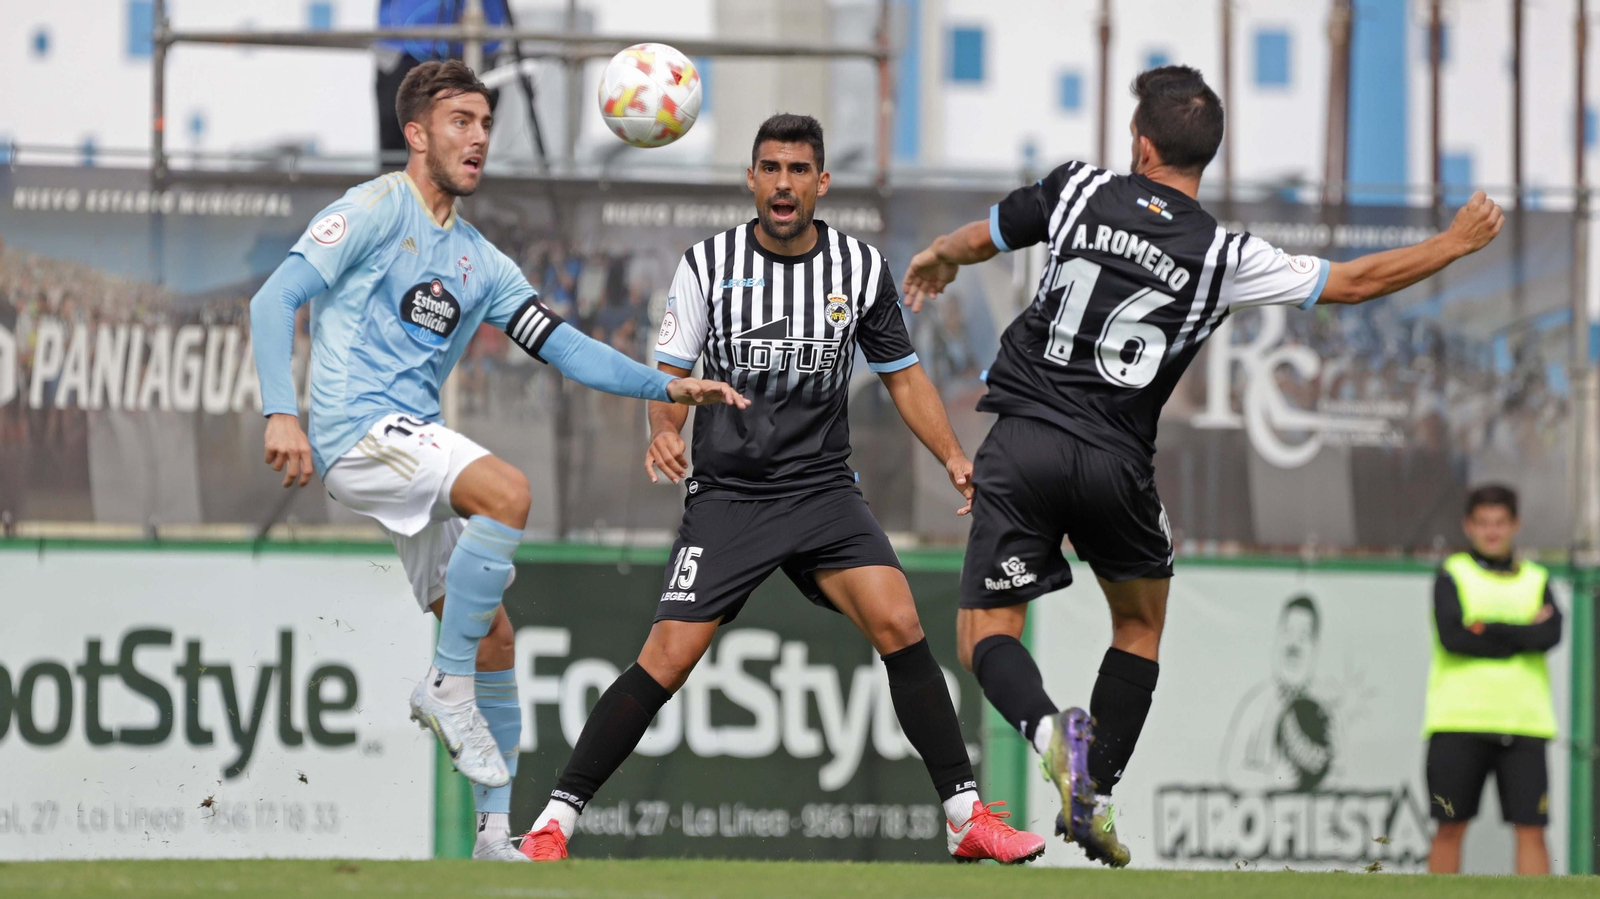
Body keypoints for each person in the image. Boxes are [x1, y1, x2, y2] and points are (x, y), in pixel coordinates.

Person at [900, 64, 1506, 867]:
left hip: (1024, 441)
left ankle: (1052, 736)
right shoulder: (1224, 252)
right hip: (1116, 460)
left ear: (1141, 143)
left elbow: (984, 235)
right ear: (1203, 157)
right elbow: (1355, 282)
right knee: (1141, 624)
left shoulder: (1079, 189)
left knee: (984, 634)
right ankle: (1098, 792)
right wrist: (1456, 242)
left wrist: (941, 256)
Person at [249, 60, 745, 862]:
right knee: (507, 491)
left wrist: (668, 386)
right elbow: (273, 299)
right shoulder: (374, 209)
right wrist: (281, 411)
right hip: (354, 428)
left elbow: (569, 349)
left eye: (484, 123)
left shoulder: (481, 261)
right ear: (416, 135)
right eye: (459, 122)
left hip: (405, 442)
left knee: (496, 641)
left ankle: (492, 836)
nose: (478, 137)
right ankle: (444, 687)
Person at [518, 114, 1046, 865]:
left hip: (822, 489)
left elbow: (903, 376)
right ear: (752, 180)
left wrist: (954, 456)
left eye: (799, 169)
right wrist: (662, 430)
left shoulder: (860, 270)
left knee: (899, 620)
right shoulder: (708, 264)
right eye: (770, 168)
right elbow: (669, 373)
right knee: (666, 658)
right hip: (730, 494)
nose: (784, 183)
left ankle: (964, 815)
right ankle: (554, 822)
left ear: (821, 183)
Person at [1424, 484, 1561, 875]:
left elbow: (1550, 635)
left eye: (1500, 523)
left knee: (1532, 829)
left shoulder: (1536, 578)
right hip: (1458, 722)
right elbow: (1454, 638)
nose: (1492, 532)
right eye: (1483, 523)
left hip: (1524, 724)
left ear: (1515, 525)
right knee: (1449, 826)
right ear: (1468, 526)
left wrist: (1488, 629)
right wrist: (1521, 634)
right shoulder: (1453, 573)